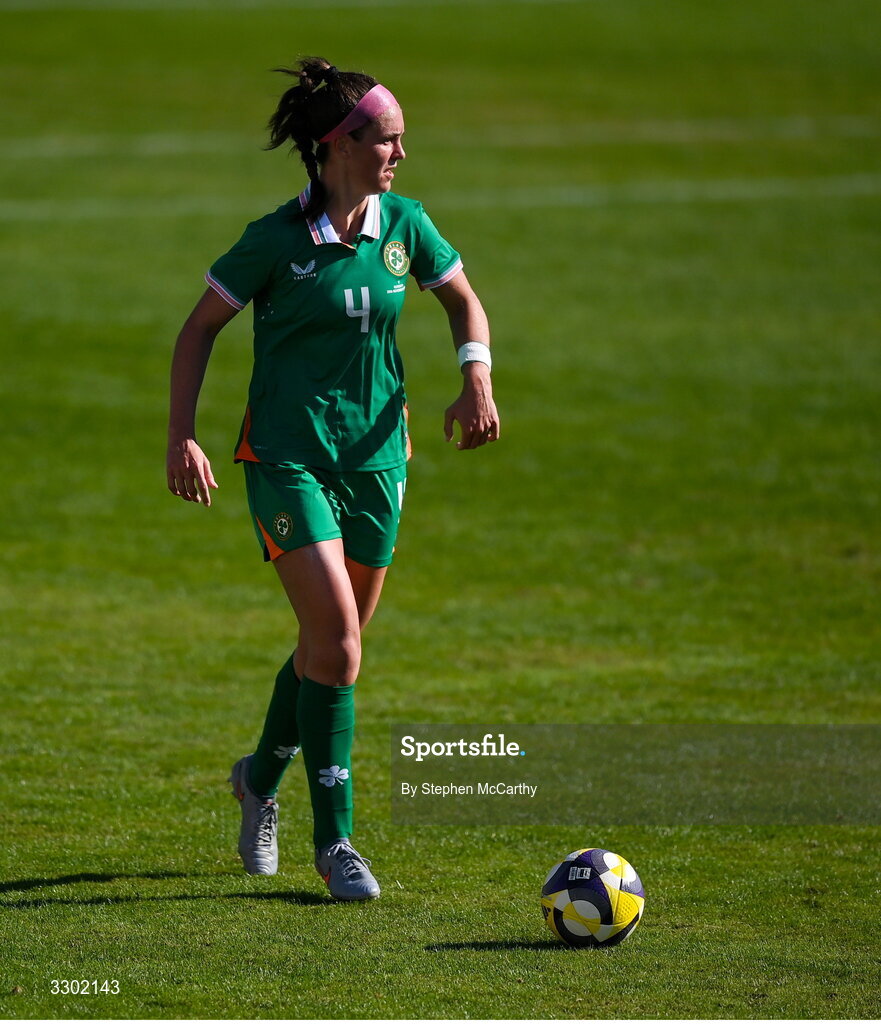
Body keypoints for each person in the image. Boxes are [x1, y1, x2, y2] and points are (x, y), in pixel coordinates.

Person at [166, 57, 500, 901]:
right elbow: (198, 329)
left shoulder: (405, 224)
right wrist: (183, 438)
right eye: (386, 140)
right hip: (286, 458)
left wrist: (475, 377)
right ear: (336, 146)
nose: (399, 155)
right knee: (340, 644)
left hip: (379, 460)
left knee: (329, 647)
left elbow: (462, 299)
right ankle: (336, 846)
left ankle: (256, 780)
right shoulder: (276, 241)